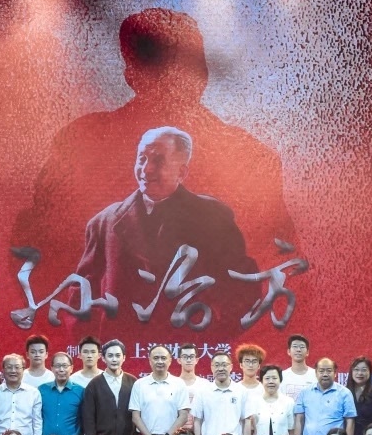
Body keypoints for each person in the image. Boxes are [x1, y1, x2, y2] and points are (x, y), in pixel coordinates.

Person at [12, 7, 295, 287]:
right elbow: (39, 244)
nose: (174, 81)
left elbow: (34, 251)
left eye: (186, 66)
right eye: (164, 68)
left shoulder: (252, 159)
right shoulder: (251, 157)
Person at [74, 126, 259, 327]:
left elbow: (244, 285)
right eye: (142, 159)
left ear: (182, 172)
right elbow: (80, 293)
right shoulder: (104, 222)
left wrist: (213, 334)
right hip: (120, 344)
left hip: (188, 343)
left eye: (158, 160)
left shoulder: (213, 217)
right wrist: (90, 340)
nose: (146, 169)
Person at [79, 339, 136, 435]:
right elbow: (88, 419)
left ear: (124, 358)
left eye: (118, 355)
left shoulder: (133, 382)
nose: (114, 359)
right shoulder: (94, 385)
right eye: (110, 356)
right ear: (103, 358)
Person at [128, 344, 189, 435]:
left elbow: (183, 416)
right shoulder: (139, 384)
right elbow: (135, 417)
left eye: (163, 358)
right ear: (150, 361)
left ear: (170, 360)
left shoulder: (179, 384)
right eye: (156, 358)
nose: (160, 361)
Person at [292, 358, 357, 435]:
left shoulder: (344, 393)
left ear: (335, 373)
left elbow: (350, 422)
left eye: (329, 371)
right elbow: (299, 420)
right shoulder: (305, 392)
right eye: (321, 371)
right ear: (316, 373)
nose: (325, 374)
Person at [193, 352, 245, 435]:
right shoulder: (202, 391)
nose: (220, 368)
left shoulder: (241, 391)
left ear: (231, 367)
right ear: (211, 368)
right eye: (217, 365)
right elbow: (197, 422)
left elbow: (246, 421)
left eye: (224, 365)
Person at [39, 352, 85, 435]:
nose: (61, 369)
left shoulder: (80, 391)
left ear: (72, 368)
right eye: (57, 366)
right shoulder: (42, 390)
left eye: (65, 366)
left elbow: (85, 418)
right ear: (52, 368)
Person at [243, 364, 293, 435]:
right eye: (267, 378)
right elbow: (250, 433)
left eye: (274, 378)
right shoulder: (253, 402)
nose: (271, 381)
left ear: (280, 380)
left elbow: (291, 431)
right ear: (261, 381)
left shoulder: (288, 402)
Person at [177, 343, 213, 432]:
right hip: (176, 433)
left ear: (196, 360)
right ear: (179, 360)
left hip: (200, 432)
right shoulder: (173, 384)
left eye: (191, 357)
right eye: (185, 357)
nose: (188, 360)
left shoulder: (205, 385)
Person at [280, 334, 317, 403]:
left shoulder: (316, 375)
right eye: (295, 346)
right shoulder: (281, 376)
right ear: (288, 351)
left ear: (307, 352)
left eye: (302, 347)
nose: (298, 350)